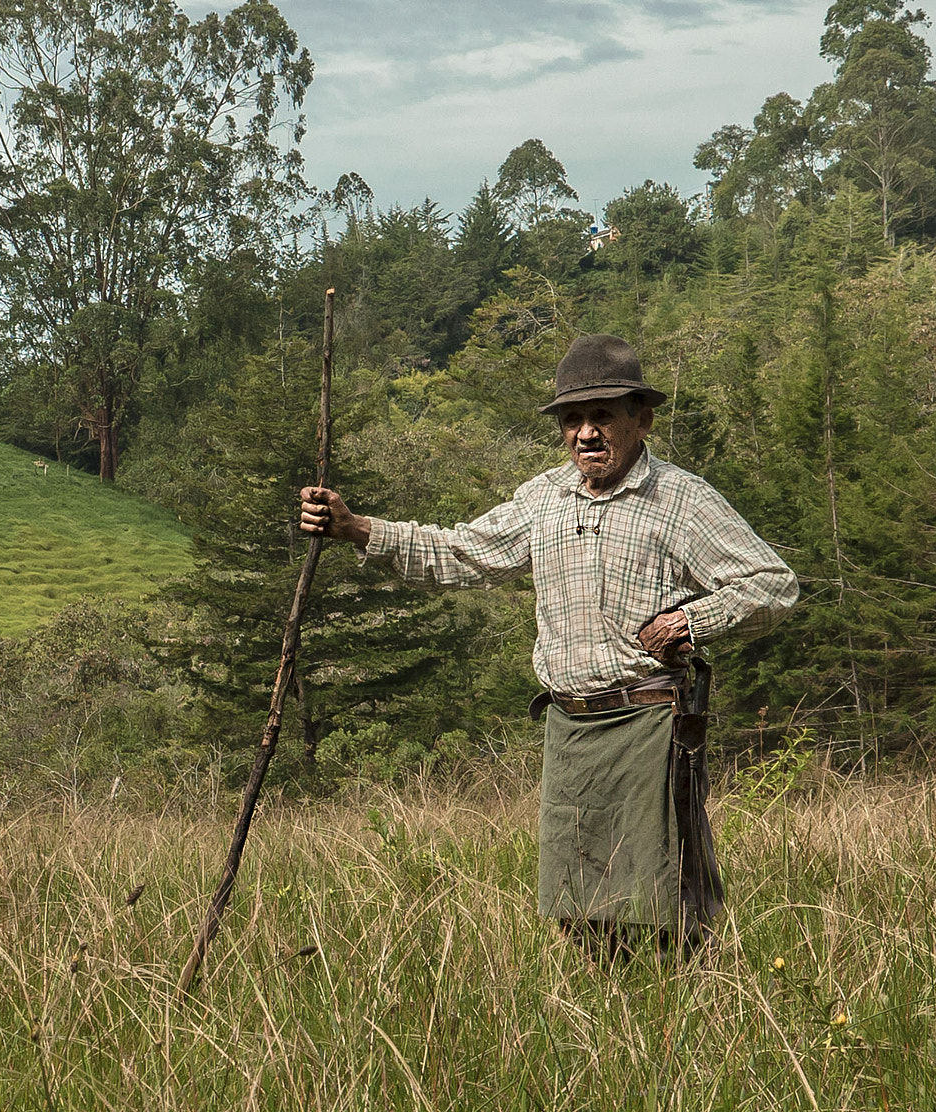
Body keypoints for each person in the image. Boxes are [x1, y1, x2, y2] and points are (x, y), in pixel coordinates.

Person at [299, 333, 797, 957]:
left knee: (661, 899)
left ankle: (686, 1016)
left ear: (641, 420)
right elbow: (464, 553)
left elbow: (772, 584)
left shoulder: (681, 499)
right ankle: (602, 1023)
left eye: (603, 416)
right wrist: (357, 528)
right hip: (570, 724)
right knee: (576, 904)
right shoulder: (545, 498)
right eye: (573, 419)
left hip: (649, 722)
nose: (587, 433)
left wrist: (689, 623)